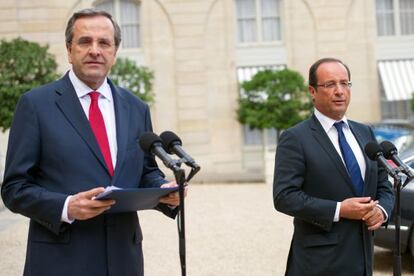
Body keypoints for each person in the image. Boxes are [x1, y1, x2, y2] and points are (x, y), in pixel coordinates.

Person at [1, 9, 182, 276]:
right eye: (85, 41)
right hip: (60, 261)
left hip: (124, 261)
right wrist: (66, 206)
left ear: (115, 52)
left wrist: (163, 189)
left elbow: (146, 171)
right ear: (69, 49)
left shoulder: (136, 107)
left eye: (104, 43)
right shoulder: (36, 105)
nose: (95, 50)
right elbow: (14, 188)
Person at [273, 58, 394, 276]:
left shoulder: (365, 132)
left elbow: (384, 184)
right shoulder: (295, 138)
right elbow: (284, 196)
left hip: (364, 260)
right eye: (330, 85)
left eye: (345, 83)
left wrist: (382, 211)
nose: (340, 91)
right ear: (312, 91)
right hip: (319, 263)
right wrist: (339, 210)